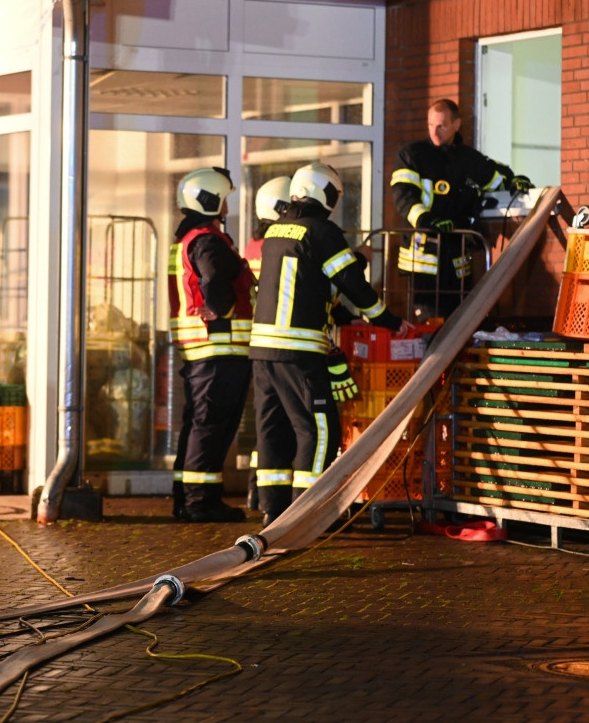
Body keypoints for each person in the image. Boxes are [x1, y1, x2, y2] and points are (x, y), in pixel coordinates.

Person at [250, 162, 412, 527]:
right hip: (299, 350)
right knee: (320, 430)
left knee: (273, 430)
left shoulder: (277, 231)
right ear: (324, 193)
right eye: (334, 196)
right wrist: (389, 322)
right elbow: (353, 285)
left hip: (262, 351)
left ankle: (272, 514)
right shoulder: (323, 231)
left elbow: (309, 283)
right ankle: (307, 516)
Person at [391, 98, 533, 319]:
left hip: (457, 257)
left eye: (441, 126)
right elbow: (403, 196)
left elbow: (493, 177)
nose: (435, 132)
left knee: (458, 319)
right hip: (424, 258)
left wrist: (512, 182)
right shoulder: (412, 155)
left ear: (457, 125)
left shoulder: (468, 159)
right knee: (428, 323)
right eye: (431, 125)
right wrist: (426, 222)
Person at [168, 166, 254, 523]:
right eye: (224, 201)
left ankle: (188, 498)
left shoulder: (188, 239)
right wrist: (219, 307)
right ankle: (200, 502)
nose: (227, 210)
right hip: (219, 349)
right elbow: (214, 279)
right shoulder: (207, 240)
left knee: (198, 425)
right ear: (210, 199)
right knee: (211, 426)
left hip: (203, 352)